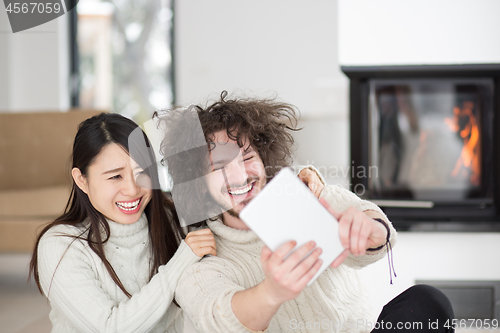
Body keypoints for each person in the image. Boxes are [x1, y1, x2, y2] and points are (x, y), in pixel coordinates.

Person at [159, 92, 455, 333]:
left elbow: (376, 234)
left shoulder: (303, 191)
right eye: (219, 167)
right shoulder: (200, 253)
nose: (240, 176)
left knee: (428, 303)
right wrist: (272, 291)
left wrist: (371, 231)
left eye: (247, 157)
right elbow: (218, 318)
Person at [28, 113, 218, 333]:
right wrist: (182, 259)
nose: (132, 189)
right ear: (82, 180)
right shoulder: (60, 246)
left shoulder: (172, 219)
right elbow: (110, 328)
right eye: (115, 176)